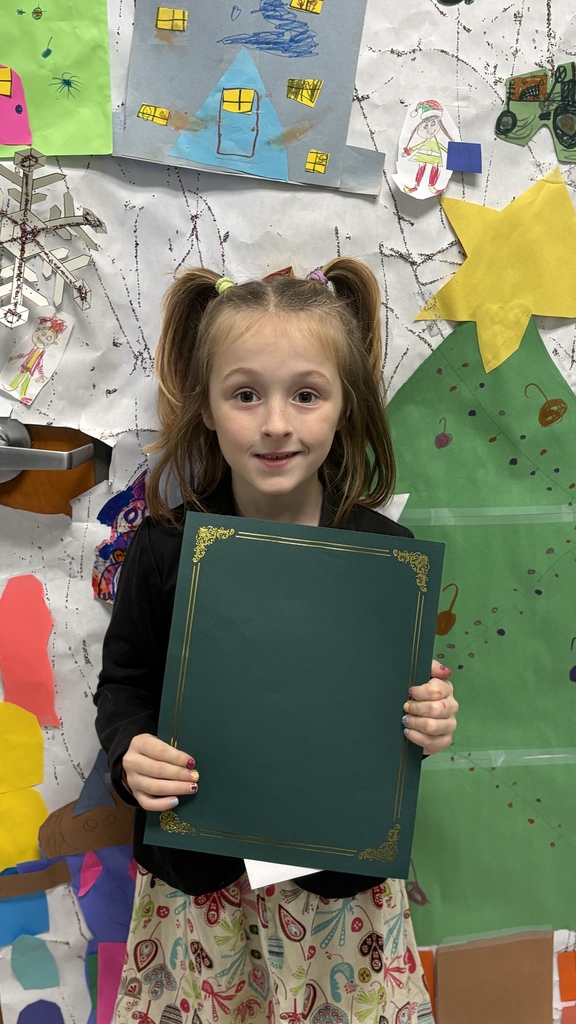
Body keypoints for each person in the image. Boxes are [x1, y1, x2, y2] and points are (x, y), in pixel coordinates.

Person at [94, 259, 458, 1024]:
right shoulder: (164, 550)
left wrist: (425, 719)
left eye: (306, 394)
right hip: (199, 894)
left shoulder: (385, 557)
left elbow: (392, 718)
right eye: (246, 394)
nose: (276, 424)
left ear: (343, 405)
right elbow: (124, 687)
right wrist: (133, 755)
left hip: (338, 897)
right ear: (208, 406)